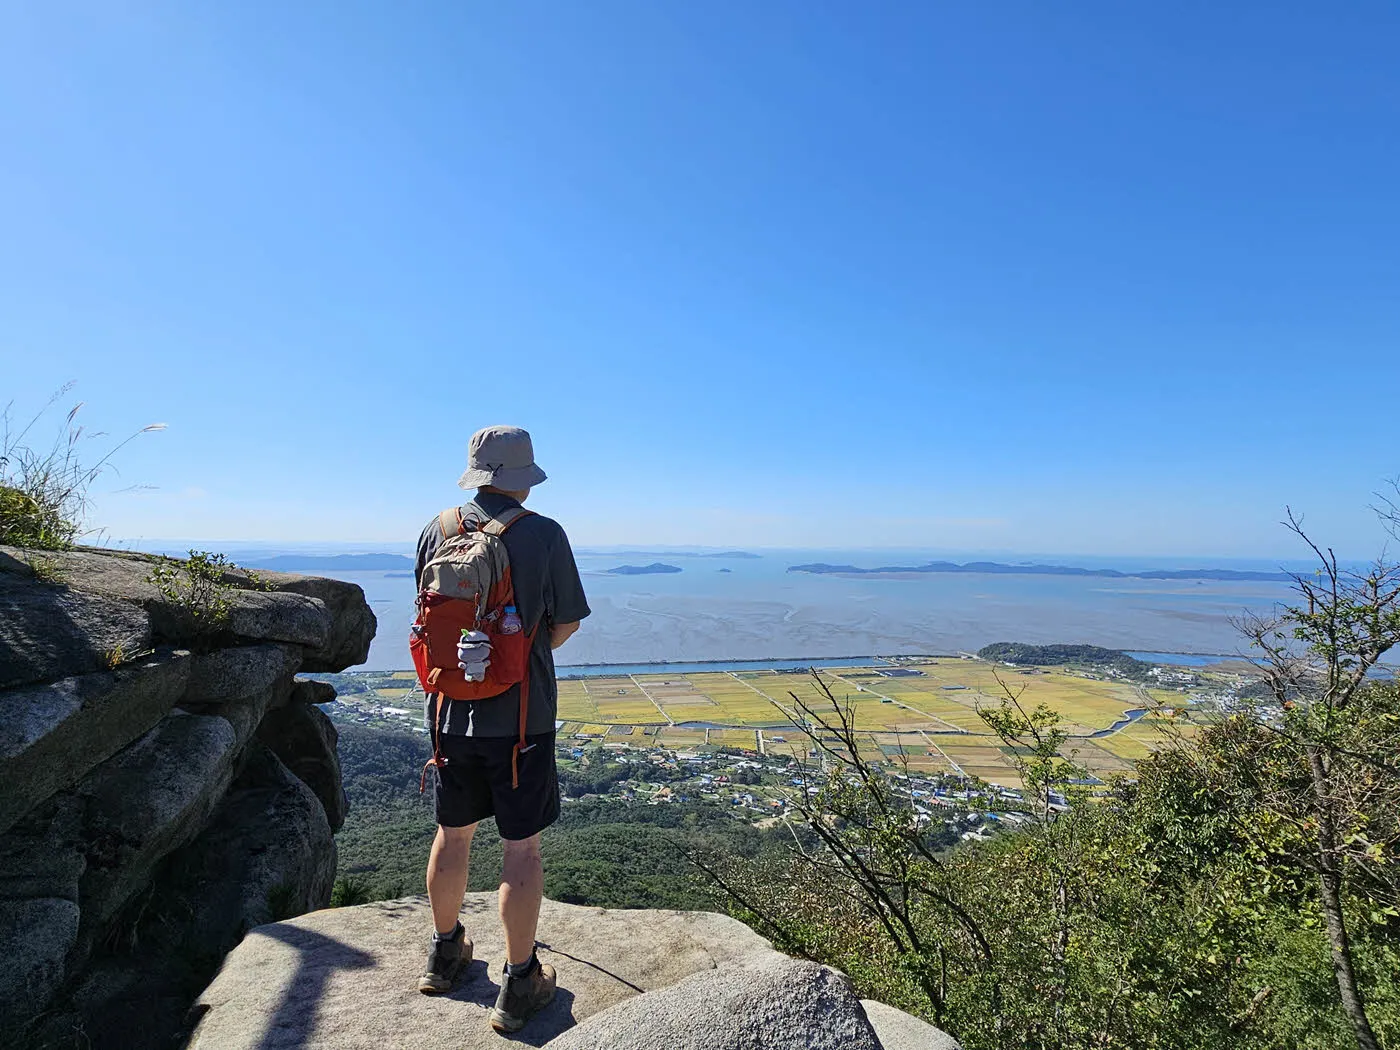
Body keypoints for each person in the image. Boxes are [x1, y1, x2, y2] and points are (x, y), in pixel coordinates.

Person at [413, 424, 590, 1034]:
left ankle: (444, 953)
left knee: (452, 834)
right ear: (524, 479)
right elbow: (565, 624)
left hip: (448, 713)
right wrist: (520, 652)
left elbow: (428, 618)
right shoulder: (543, 534)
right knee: (522, 848)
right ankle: (520, 982)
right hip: (521, 720)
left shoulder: (437, 529)